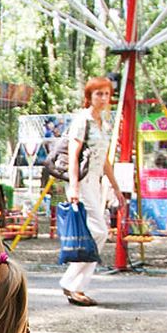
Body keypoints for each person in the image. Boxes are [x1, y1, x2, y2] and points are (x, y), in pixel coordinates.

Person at [60, 77, 124, 307]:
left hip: (96, 183)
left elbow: (105, 161)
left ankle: (76, 286)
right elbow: (73, 154)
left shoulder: (103, 124)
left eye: (106, 94)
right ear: (90, 96)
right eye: (98, 94)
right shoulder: (82, 120)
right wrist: (74, 186)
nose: (103, 98)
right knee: (99, 231)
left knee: (97, 232)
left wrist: (116, 187)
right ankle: (71, 282)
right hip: (83, 182)